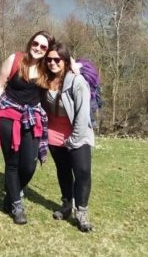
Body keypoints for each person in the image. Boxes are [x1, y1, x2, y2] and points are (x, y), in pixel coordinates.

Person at [0, 30, 54, 225]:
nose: (38, 48)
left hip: (31, 117)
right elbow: (0, 85)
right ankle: (16, 205)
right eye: (36, 43)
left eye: (43, 47)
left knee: (29, 165)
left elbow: (64, 62)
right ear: (30, 42)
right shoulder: (15, 59)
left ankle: (9, 196)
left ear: (47, 51)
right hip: (8, 114)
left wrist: (75, 64)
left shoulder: (47, 69)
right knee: (12, 163)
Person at [44, 42, 95, 232]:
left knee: (82, 172)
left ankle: (81, 212)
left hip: (77, 135)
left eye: (56, 59)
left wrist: (74, 139)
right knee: (63, 171)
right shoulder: (45, 79)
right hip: (54, 135)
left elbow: (83, 114)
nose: (52, 63)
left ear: (65, 61)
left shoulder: (76, 81)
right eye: (49, 59)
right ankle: (66, 204)